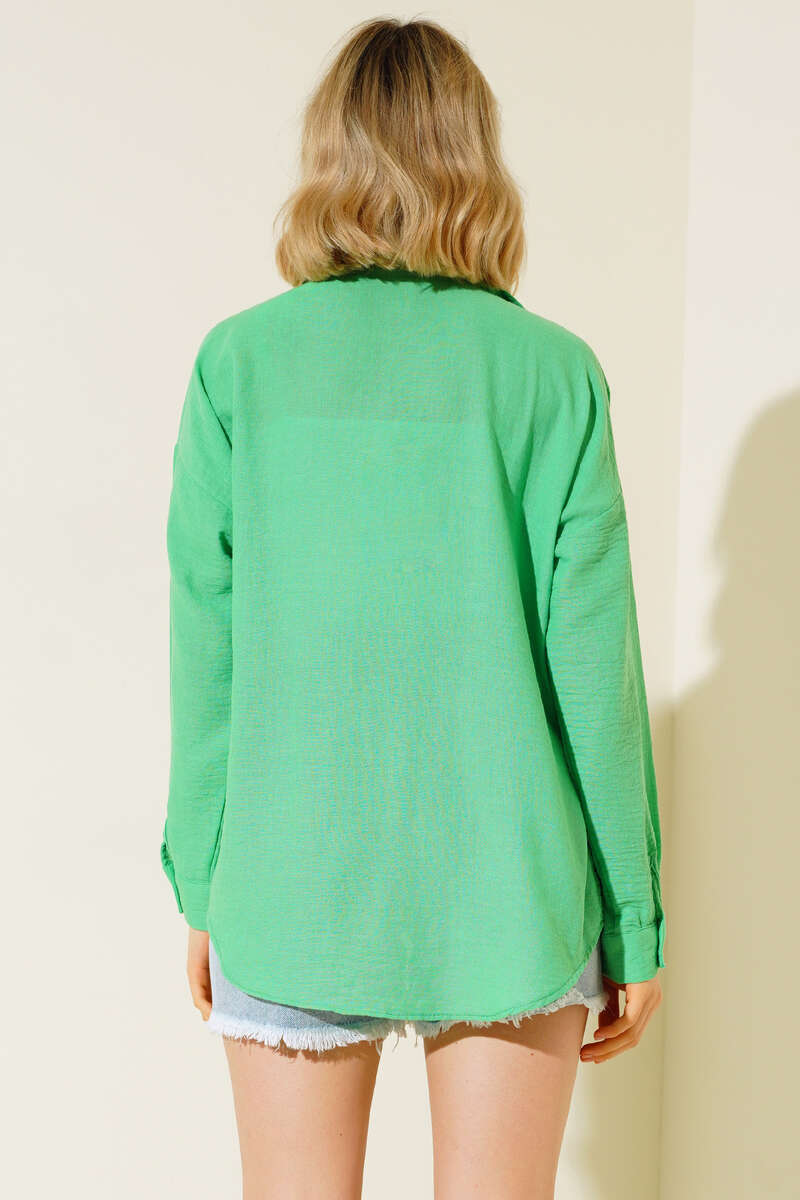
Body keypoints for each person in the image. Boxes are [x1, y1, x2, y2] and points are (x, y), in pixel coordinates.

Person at [160, 16, 666, 1198]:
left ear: (325, 155)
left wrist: (204, 879)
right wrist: (632, 921)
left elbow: (205, 649)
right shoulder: (552, 374)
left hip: (288, 876)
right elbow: (593, 673)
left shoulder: (238, 365)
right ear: (473, 157)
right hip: (508, 890)